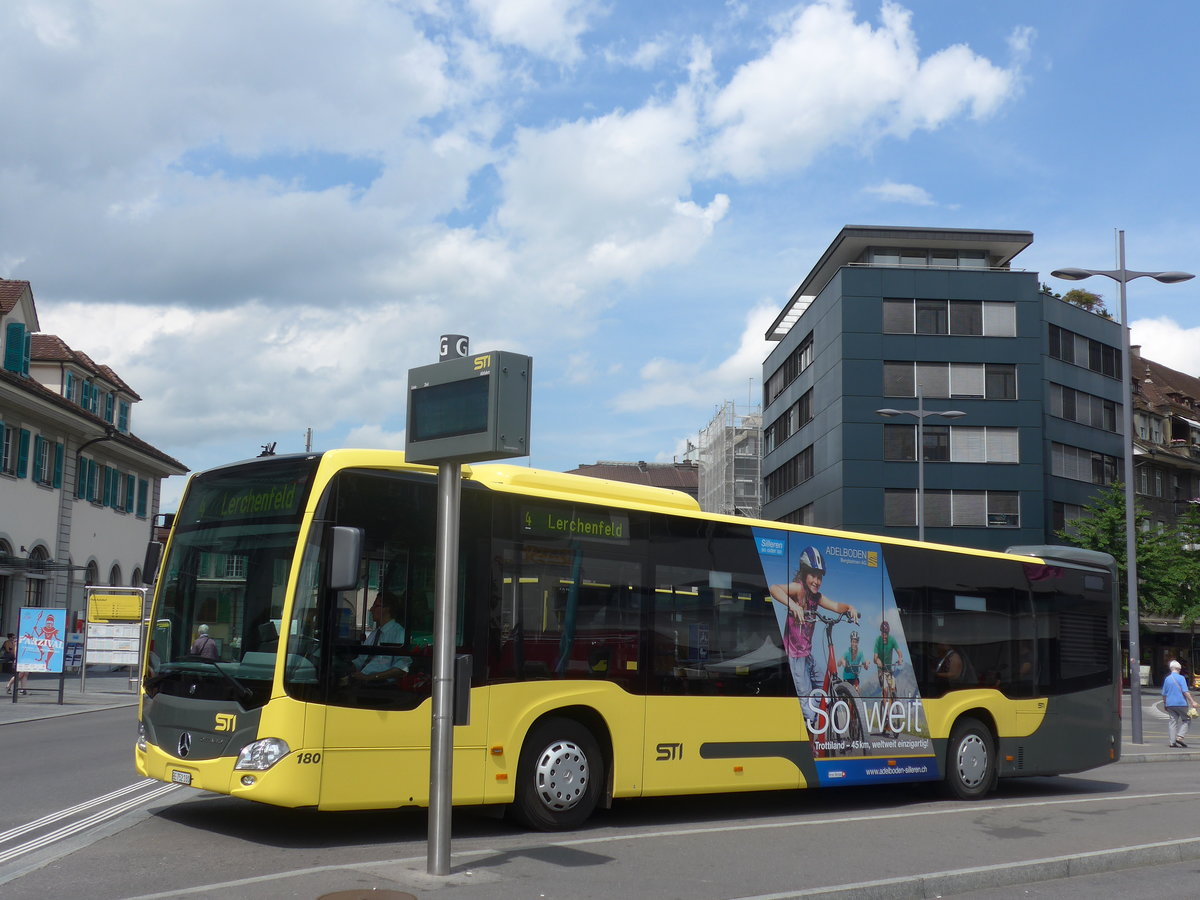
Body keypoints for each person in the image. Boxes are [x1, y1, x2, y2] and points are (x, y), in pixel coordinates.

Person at [769, 546, 859, 729]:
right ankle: (809, 730)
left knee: (823, 686)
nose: (817, 581)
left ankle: (817, 726)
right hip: (794, 658)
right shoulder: (798, 589)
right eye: (813, 575)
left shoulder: (816, 597)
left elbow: (835, 606)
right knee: (807, 705)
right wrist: (793, 606)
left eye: (820, 577)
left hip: (807, 656)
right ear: (804, 574)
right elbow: (774, 589)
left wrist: (850, 607)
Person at [350, 591, 411, 686]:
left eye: (375, 606)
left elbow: (402, 668)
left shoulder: (399, 633)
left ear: (387, 609)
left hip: (382, 686)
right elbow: (361, 660)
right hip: (362, 681)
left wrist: (370, 677)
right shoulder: (374, 634)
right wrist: (347, 667)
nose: (371, 609)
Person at [873, 620, 903, 736]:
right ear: (881, 632)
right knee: (885, 689)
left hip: (890, 670)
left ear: (888, 632)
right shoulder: (878, 641)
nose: (884, 635)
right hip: (881, 671)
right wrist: (878, 660)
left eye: (886, 633)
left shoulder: (892, 640)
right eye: (883, 633)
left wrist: (900, 658)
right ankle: (887, 715)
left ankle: (894, 703)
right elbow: (874, 657)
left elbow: (899, 652)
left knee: (893, 688)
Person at [1162, 659, 1196, 748]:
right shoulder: (1181, 678)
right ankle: (1180, 737)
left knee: (1172, 722)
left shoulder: (1167, 679)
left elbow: (1164, 694)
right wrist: (1192, 701)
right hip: (1181, 703)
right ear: (1178, 669)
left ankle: (1172, 742)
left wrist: (1165, 704)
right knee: (1187, 719)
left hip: (1170, 704)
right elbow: (1185, 691)